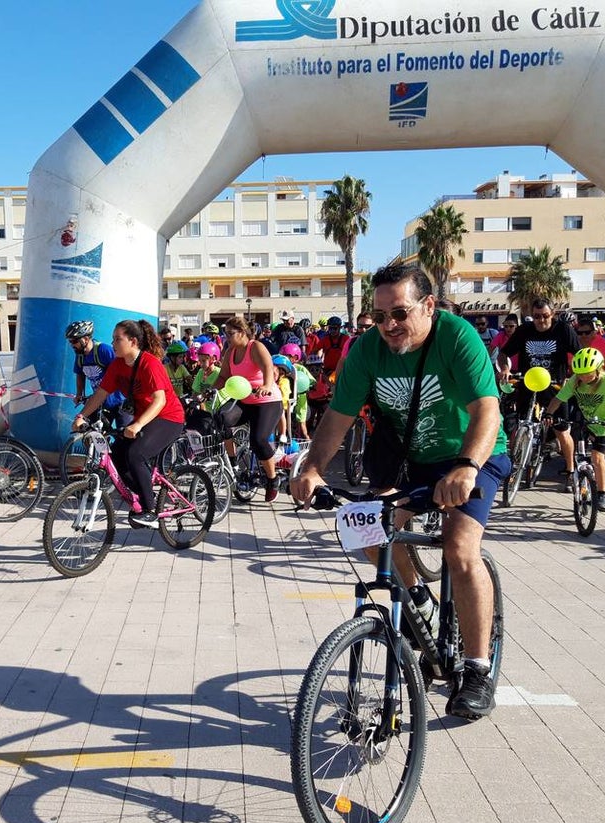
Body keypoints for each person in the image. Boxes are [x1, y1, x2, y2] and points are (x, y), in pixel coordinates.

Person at [292, 262, 510, 720]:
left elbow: (486, 409)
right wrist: (312, 467)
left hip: (472, 454)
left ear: (429, 306)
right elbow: (337, 417)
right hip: (411, 459)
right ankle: (417, 604)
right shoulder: (368, 350)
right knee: (367, 528)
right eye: (379, 315)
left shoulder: (456, 338)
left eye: (399, 313)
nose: (388, 325)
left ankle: (476, 668)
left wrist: (468, 467)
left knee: (460, 547)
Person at [73, 319, 185, 529]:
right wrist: (82, 416)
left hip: (169, 417)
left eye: (117, 339)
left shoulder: (149, 364)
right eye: (113, 339)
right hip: (144, 419)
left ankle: (150, 510)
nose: (113, 343)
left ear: (133, 341)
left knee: (136, 454)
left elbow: (159, 400)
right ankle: (145, 496)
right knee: (116, 456)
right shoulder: (117, 365)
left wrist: (137, 425)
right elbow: (100, 394)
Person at [495, 298, 580, 489]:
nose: (541, 321)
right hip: (528, 383)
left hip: (555, 386)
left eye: (545, 316)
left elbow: (579, 354)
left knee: (562, 430)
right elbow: (503, 353)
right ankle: (519, 459)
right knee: (522, 423)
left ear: (553, 314)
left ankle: (570, 470)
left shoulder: (563, 330)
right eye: (536, 317)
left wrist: (572, 377)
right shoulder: (524, 331)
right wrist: (504, 370)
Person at [543, 347, 605, 512]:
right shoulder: (575, 380)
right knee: (590, 444)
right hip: (588, 421)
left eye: (588, 373)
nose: (583, 377)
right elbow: (558, 398)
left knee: (597, 456)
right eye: (580, 373)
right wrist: (549, 413)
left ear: (598, 369)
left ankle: (603, 494)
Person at [214, 316, 284, 502]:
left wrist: (267, 385)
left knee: (259, 440)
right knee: (221, 418)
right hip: (244, 400)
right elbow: (223, 377)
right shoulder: (230, 351)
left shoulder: (256, 347)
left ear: (242, 332)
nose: (226, 337)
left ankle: (272, 479)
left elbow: (268, 367)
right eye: (225, 333)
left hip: (267, 401)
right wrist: (208, 389)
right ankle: (234, 461)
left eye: (230, 333)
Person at [65, 320, 124, 424]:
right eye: (70, 342)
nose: (72, 345)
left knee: (125, 436)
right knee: (91, 432)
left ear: (86, 339)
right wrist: (79, 394)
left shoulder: (104, 350)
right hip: (100, 402)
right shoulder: (80, 356)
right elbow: (80, 374)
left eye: (74, 341)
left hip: (120, 401)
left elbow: (121, 371)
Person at [316, 316, 349, 380]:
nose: (332, 331)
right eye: (330, 328)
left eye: (335, 328)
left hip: (342, 370)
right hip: (327, 371)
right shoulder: (325, 339)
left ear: (340, 328)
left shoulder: (346, 339)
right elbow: (315, 350)